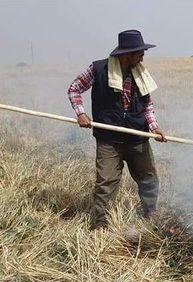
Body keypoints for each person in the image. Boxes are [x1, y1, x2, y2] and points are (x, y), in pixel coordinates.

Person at [67, 29, 167, 230]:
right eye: (139, 52)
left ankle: (150, 215)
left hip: (137, 137)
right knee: (106, 183)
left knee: (149, 180)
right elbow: (74, 89)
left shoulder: (140, 74)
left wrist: (154, 128)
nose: (143, 56)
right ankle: (99, 225)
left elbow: (147, 105)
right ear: (127, 54)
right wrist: (80, 113)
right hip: (109, 139)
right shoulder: (98, 69)